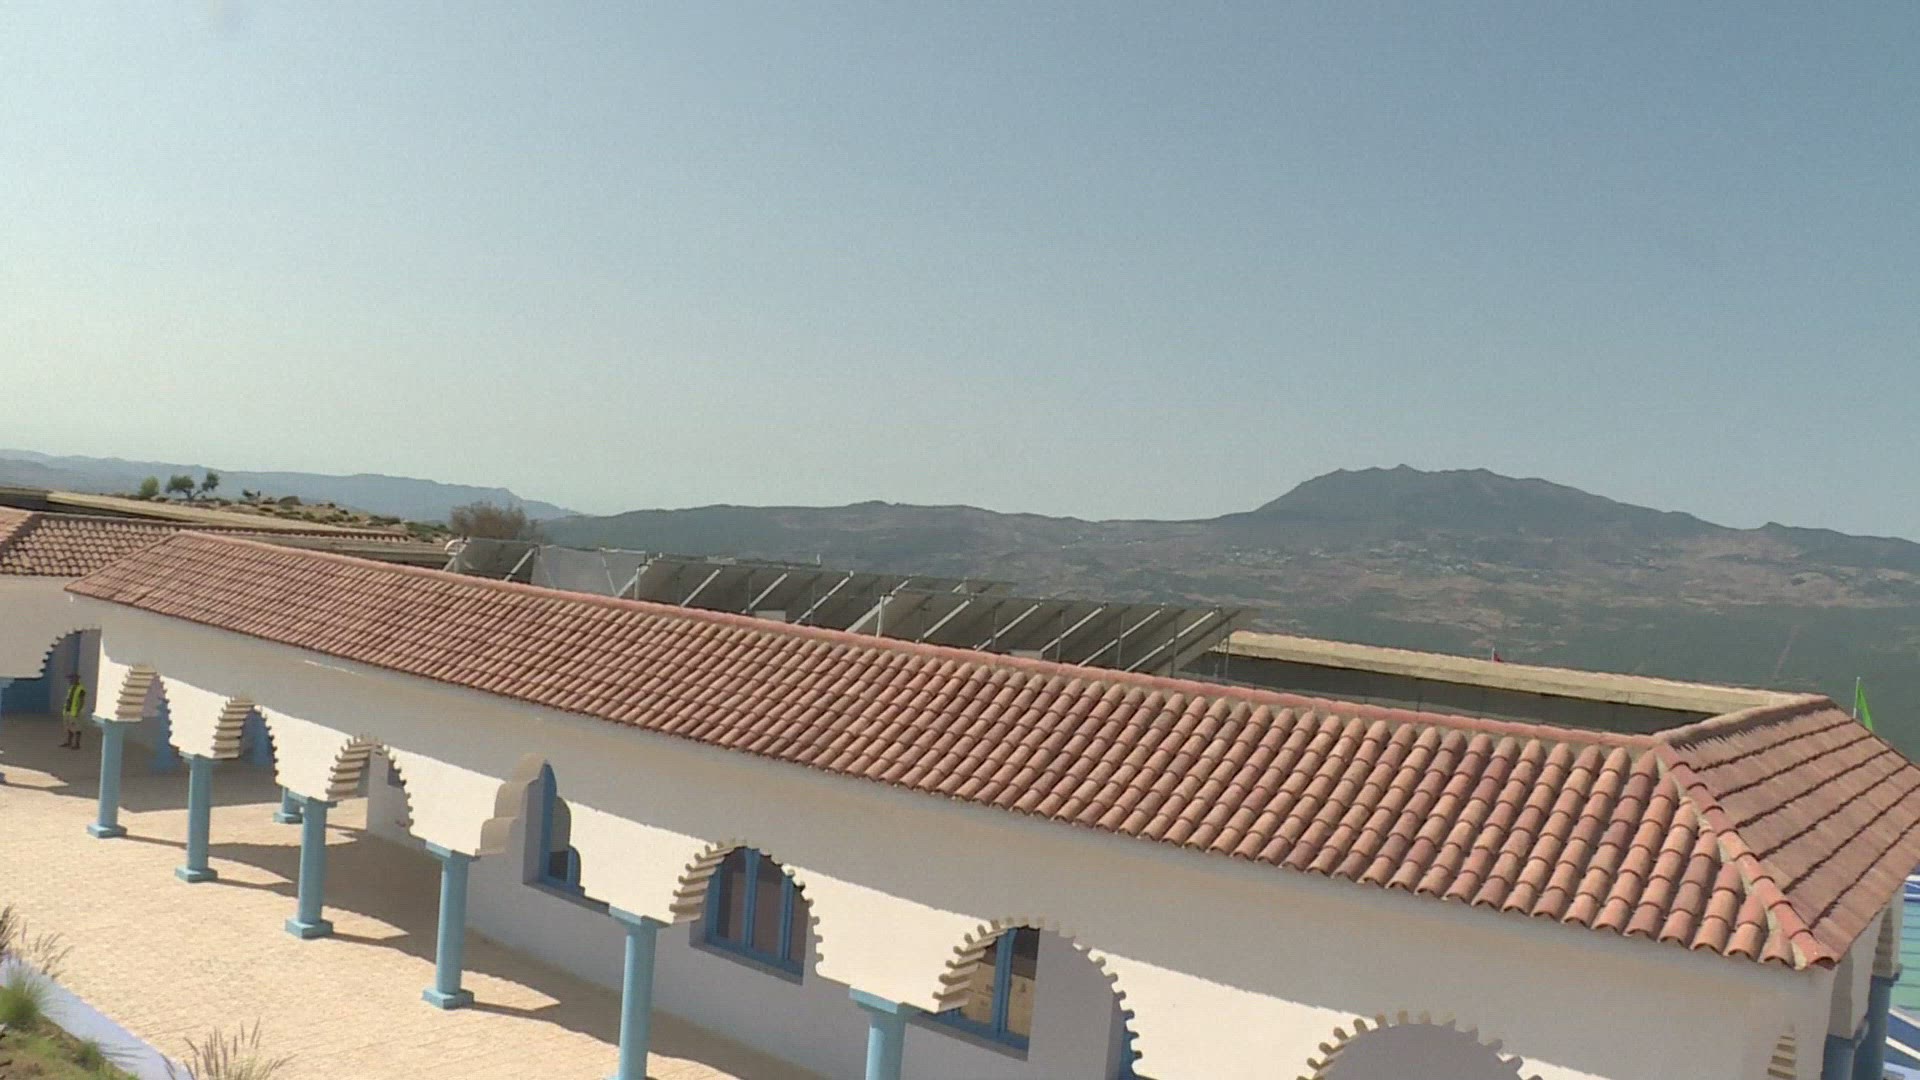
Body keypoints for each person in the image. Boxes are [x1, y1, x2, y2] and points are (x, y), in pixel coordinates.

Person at [60, 674, 87, 750]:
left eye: (71, 679)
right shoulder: (71, 688)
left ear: (76, 679)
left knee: (77, 728)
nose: (70, 680)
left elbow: (81, 701)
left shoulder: (81, 689)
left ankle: (77, 744)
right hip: (68, 711)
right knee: (69, 727)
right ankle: (69, 742)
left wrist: (78, 711)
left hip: (75, 712)